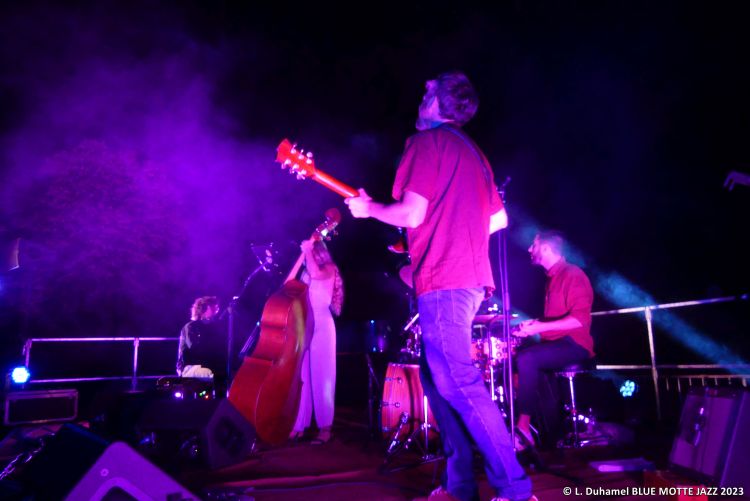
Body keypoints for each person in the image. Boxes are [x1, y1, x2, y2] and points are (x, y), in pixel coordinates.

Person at [346, 71, 533, 501]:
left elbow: (411, 214)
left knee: (458, 381)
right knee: (437, 381)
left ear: (439, 104)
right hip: (468, 279)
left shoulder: (425, 142)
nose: (422, 94)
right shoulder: (475, 154)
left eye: (428, 92)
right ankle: (459, 485)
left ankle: (516, 490)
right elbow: (499, 219)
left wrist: (369, 209)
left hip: (446, 279)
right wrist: (450, 231)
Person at [512, 231, 595, 449]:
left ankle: (523, 428)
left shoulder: (573, 274)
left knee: (528, 358)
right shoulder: (552, 279)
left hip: (575, 344)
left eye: (534, 245)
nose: (529, 249)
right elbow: (555, 320)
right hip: (556, 343)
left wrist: (540, 327)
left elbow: (579, 320)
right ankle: (551, 436)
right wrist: (532, 326)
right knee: (523, 360)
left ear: (546, 248)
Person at [290, 238, 343, 443]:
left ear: (317, 252)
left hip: (322, 324)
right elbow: (287, 283)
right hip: (304, 325)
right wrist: (301, 255)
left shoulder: (329, 268)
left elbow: (315, 274)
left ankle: (325, 428)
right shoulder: (305, 270)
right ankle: (299, 425)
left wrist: (308, 249)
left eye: (311, 253)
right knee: (301, 377)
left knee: (323, 375)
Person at [176, 296, 224, 381]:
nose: (217, 310)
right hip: (188, 367)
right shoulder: (190, 327)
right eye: (213, 307)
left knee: (224, 371)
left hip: (205, 365)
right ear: (205, 308)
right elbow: (194, 349)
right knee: (213, 373)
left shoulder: (211, 327)